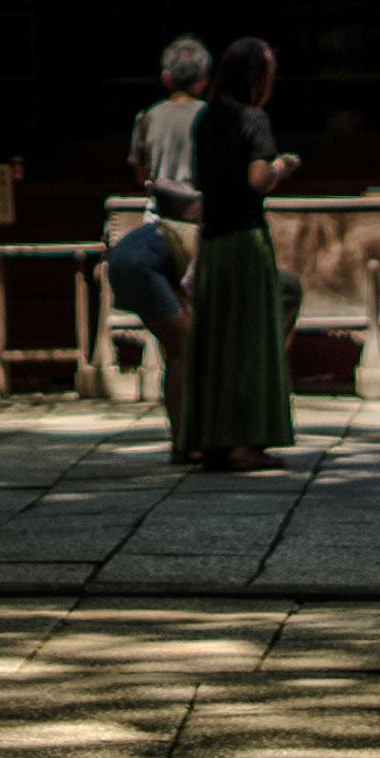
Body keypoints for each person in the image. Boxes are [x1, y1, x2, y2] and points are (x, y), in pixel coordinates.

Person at [174, 33, 299, 468]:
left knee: (215, 340)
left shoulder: (206, 119)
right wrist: (282, 166)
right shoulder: (254, 121)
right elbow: (257, 179)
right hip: (245, 241)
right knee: (249, 339)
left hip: (212, 243)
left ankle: (212, 439)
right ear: (256, 78)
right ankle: (245, 442)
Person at [105, 38, 209, 410]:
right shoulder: (209, 116)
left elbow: (140, 171)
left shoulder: (148, 117)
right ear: (204, 79)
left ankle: (184, 426)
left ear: (166, 78)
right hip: (198, 223)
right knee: (192, 333)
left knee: (176, 340)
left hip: (158, 219)